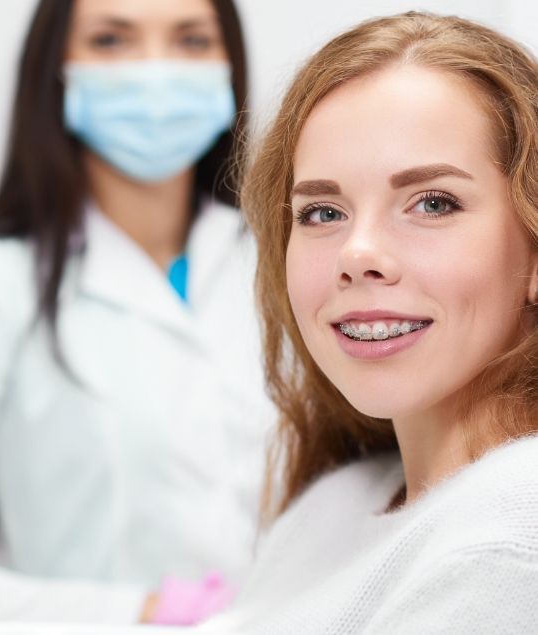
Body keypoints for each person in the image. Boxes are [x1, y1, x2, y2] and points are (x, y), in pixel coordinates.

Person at [0, 0, 273, 626]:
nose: (155, 75)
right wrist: (144, 612)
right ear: (56, 70)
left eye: (190, 41)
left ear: (229, 66)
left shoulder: (283, 260)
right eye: (110, 41)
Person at [199, 11, 538, 633]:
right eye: (322, 212)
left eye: (433, 203)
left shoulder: (509, 537)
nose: (358, 256)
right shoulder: (336, 504)